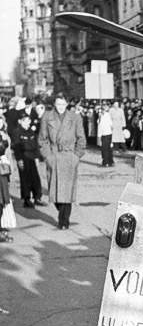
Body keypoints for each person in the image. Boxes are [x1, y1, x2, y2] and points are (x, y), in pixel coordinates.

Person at [38, 93, 86, 230]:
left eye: (63, 104)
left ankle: (64, 220)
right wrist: (47, 156)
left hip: (69, 157)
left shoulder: (75, 118)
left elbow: (81, 139)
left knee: (67, 191)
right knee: (55, 191)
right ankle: (62, 213)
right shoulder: (47, 117)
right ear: (54, 104)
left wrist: (77, 156)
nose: (60, 107)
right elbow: (42, 139)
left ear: (67, 105)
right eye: (58, 104)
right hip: (54, 156)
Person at [12, 113, 45, 207]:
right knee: (25, 179)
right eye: (24, 120)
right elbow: (17, 147)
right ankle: (26, 199)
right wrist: (19, 160)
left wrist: (37, 158)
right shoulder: (17, 132)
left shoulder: (31, 131)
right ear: (20, 121)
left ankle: (37, 197)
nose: (26, 122)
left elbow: (36, 146)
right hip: (23, 156)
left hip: (32, 156)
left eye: (28, 120)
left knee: (35, 178)